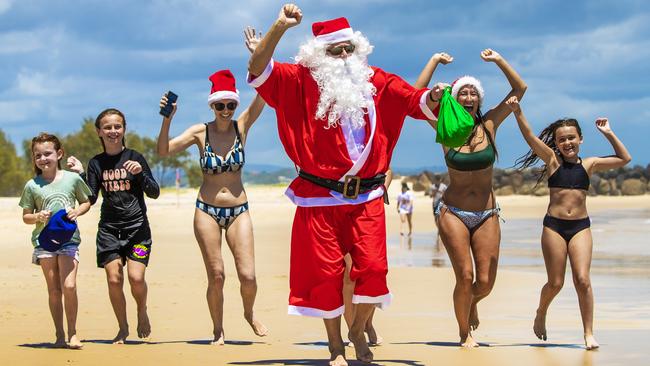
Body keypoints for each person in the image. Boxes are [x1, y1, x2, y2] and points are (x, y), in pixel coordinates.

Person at [247, 5, 439, 364]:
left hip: (366, 197)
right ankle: (336, 345)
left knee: (375, 269)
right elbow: (258, 68)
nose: (346, 56)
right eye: (337, 50)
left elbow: (414, 101)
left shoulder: (376, 80)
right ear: (320, 55)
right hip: (318, 198)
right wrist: (280, 27)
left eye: (349, 48)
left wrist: (435, 96)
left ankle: (357, 329)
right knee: (325, 276)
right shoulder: (299, 80)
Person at [157, 30, 267, 345]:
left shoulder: (242, 125)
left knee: (248, 276)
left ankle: (248, 312)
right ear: (212, 106)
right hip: (206, 210)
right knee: (216, 275)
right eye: (220, 106)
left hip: (238, 210)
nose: (227, 111)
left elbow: (265, 92)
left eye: (231, 104)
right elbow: (164, 151)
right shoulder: (199, 133)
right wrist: (167, 119)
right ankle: (218, 329)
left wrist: (260, 54)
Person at [415, 50, 527, 347]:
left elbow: (520, 89)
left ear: (478, 99)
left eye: (472, 93)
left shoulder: (489, 125)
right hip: (453, 212)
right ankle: (465, 334)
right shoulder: (445, 126)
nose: (467, 97)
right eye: (462, 92)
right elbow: (415, 95)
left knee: (485, 283)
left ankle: (471, 303)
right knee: (464, 276)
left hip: (487, 213)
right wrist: (434, 61)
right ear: (455, 98)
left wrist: (500, 61)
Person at [507, 96, 631, 350]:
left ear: (580, 139)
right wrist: (518, 112)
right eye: (562, 139)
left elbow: (624, 158)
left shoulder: (590, 164)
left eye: (571, 137)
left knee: (583, 280)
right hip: (554, 227)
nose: (567, 143)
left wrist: (608, 132)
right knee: (555, 283)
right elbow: (531, 137)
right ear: (557, 143)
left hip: (580, 228)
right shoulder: (552, 161)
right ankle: (541, 311)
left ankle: (588, 333)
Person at [67, 108, 160, 344]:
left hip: (138, 231)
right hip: (109, 232)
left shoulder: (136, 158)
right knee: (114, 279)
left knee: (136, 278)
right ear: (99, 131)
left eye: (117, 126)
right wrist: (79, 174)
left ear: (124, 129)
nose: (113, 131)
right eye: (107, 127)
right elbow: (91, 197)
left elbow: (154, 192)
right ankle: (122, 327)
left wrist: (140, 175)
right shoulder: (96, 163)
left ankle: (141, 310)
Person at [19, 133, 92, 349]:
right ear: (34, 159)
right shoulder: (32, 185)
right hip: (44, 243)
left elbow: (86, 202)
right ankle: (59, 334)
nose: (43, 158)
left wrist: (77, 211)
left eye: (47, 153)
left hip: (69, 239)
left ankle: (73, 333)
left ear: (59, 154)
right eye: (38, 155)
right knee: (54, 290)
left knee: (69, 286)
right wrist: (37, 217)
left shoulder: (72, 179)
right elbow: (25, 216)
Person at [429, 174, 447, 247]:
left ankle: (440, 231)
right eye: (436, 181)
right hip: (435, 204)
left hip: (441, 204)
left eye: (439, 181)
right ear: (435, 181)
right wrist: (435, 192)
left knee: (440, 217)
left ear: (440, 180)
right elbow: (430, 196)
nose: (438, 182)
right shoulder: (432, 187)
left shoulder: (443, 186)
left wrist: (442, 193)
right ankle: (439, 229)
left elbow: (447, 195)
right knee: (435, 219)